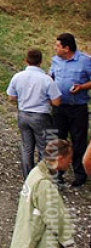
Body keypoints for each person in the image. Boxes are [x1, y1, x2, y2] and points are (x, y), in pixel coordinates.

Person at [8, 139, 75, 248]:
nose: (70, 162)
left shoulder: (35, 173)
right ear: (59, 159)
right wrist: (68, 240)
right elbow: (57, 218)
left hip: (33, 238)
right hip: (47, 244)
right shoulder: (45, 184)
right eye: (69, 158)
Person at [7, 49, 62, 178]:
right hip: (41, 116)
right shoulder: (46, 79)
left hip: (23, 114)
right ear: (41, 62)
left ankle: (28, 177)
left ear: (26, 60)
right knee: (45, 148)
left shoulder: (18, 76)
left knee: (27, 147)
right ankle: (43, 176)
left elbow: (11, 97)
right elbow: (57, 102)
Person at [49, 33, 91, 187]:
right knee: (57, 139)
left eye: (58, 45)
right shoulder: (55, 61)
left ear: (66, 48)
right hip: (59, 107)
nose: (55, 48)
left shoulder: (85, 61)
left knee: (78, 140)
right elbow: (51, 77)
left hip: (77, 107)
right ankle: (56, 173)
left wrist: (82, 87)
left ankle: (80, 174)